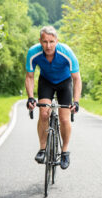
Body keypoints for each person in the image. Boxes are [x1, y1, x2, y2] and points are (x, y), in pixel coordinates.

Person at [25, 26, 82, 170]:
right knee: (44, 113)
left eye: (51, 41)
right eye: (45, 42)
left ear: (57, 41)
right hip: (46, 82)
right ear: (40, 41)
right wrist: (31, 98)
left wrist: (76, 101)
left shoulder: (67, 52)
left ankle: (64, 152)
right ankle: (43, 149)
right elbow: (30, 77)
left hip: (65, 83)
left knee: (64, 118)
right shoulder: (33, 52)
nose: (48, 45)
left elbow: (77, 79)